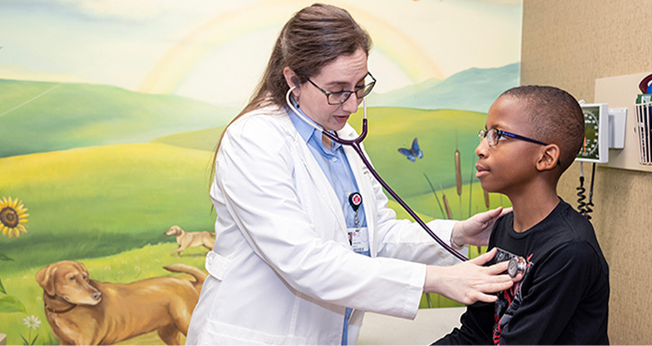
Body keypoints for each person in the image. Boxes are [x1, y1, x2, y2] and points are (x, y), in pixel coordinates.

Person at [185, 4, 515, 346]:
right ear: (293, 80)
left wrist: (458, 233)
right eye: (337, 90)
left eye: (360, 87)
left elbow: (376, 237)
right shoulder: (254, 139)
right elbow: (302, 259)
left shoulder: (343, 140)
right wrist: (433, 279)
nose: (352, 104)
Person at [432, 86, 610, 345]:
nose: (481, 149)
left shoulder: (570, 250)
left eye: (498, 135)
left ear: (546, 157)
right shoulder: (503, 227)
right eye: (485, 134)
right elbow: (475, 334)